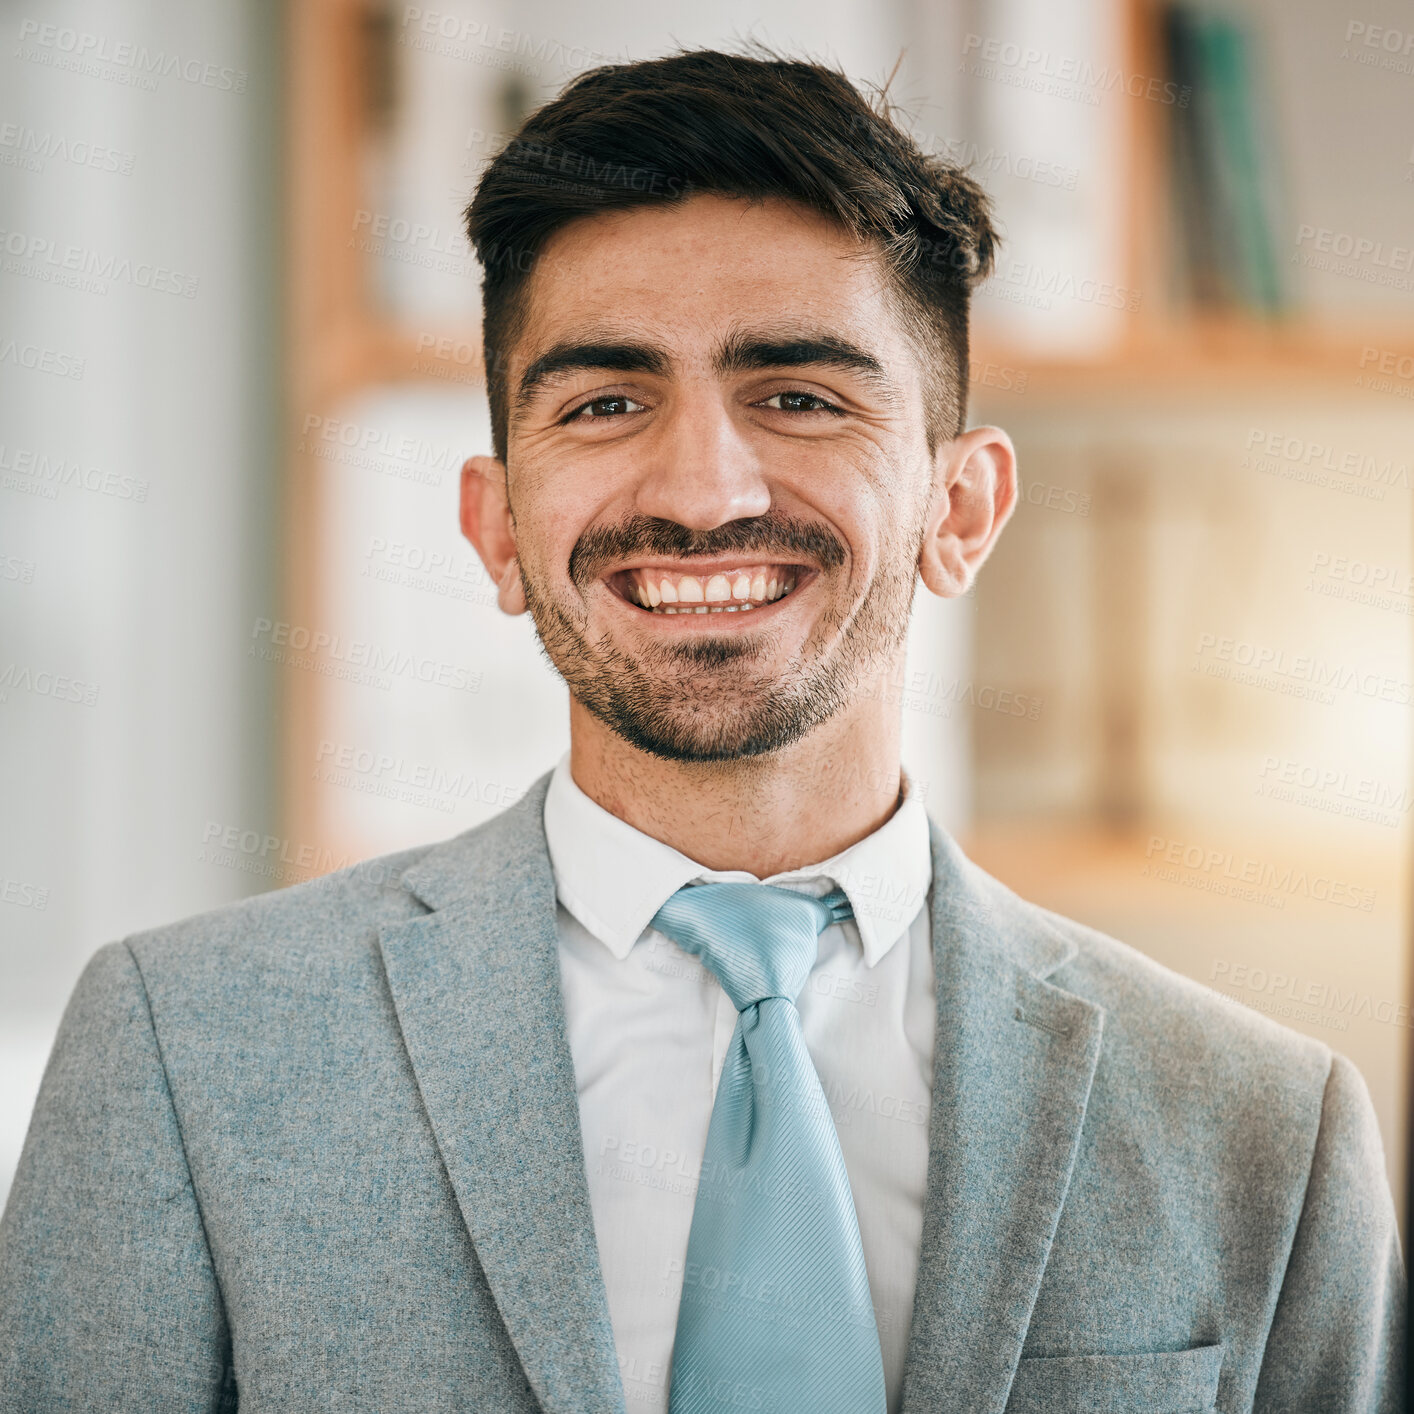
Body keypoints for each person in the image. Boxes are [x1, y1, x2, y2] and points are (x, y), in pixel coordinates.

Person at [0, 48, 1403, 1414]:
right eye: (606, 401)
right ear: (496, 528)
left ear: (959, 508)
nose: (701, 488)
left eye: (797, 395)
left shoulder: (1264, 1132)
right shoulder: (183, 1053)